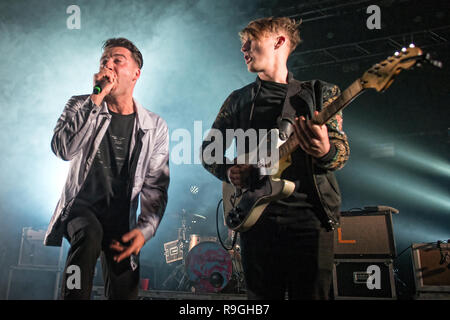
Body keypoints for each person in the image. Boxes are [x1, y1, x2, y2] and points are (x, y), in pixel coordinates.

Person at [201, 17, 350, 299]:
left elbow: (340, 154)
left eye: (251, 41)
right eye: (242, 44)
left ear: (279, 41)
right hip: (256, 221)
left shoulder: (320, 93)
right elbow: (208, 151)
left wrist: (324, 151)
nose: (243, 48)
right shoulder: (238, 100)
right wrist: (230, 170)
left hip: (310, 221)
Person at [44, 38, 170, 300]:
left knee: (125, 287)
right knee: (88, 236)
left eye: (117, 60)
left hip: (121, 216)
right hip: (81, 208)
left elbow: (155, 184)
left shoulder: (154, 125)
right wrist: (95, 100)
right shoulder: (80, 104)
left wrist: (145, 229)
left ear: (136, 74)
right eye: (104, 61)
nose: (108, 66)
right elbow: (64, 149)